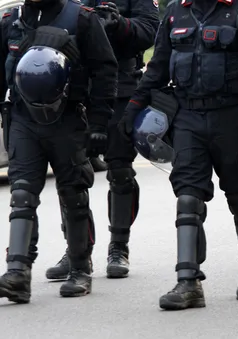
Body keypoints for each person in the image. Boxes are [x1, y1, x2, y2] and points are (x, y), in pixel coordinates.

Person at [118, 0, 238, 310]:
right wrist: (134, 107)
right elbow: (158, 66)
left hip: (231, 118)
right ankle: (188, 281)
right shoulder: (177, 11)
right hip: (188, 117)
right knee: (188, 198)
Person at [0, 0, 117, 302]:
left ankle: (80, 268)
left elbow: (105, 71)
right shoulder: (11, 20)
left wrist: (100, 122)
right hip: (23, 119)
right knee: (22, 194)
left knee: (73, 194)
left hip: (67, 119)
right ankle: (17, 273)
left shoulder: (82, 19)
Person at [45, 0, 159, 281]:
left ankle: (118, 247)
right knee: (68, 171)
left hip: (119, 86)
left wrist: (120, 25)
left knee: (119, 169)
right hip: (73, 88)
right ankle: (77, 249)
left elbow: (150, 31)